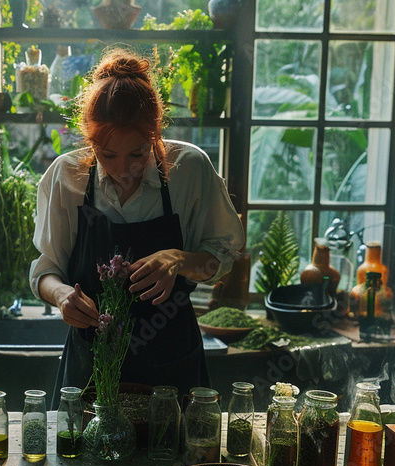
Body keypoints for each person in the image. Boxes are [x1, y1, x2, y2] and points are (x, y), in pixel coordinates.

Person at [30, 49, 244, 394]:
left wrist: (179, 259)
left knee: (173, 445)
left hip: (171, 361)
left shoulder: (190, 168)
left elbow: (221, 257)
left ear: (156, 135)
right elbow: (45, 272)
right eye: (107, 154)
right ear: (89, 140)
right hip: (91, 364)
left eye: (138, 153)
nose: (121, 169)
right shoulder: (64, 177)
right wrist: (62, 296)